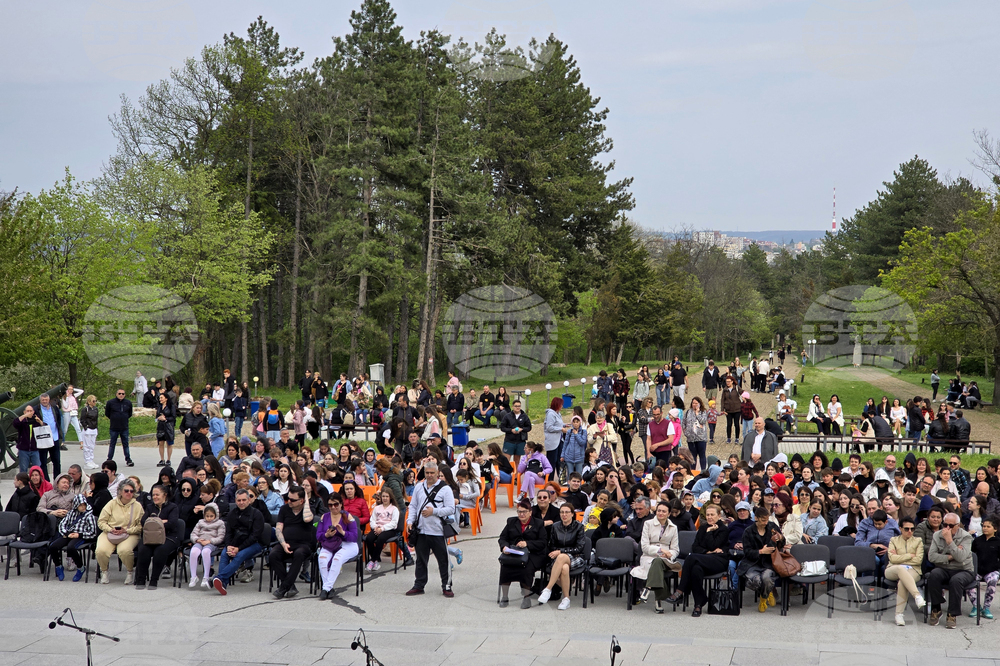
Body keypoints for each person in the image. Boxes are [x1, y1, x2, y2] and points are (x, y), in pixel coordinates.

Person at [665, 504, 729, 616]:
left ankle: (680, 590)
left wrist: (709, 532)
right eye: (707, 515)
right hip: (702, 560)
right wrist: (707, 552)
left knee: (691, 558)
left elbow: (713, 545)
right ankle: (698, 604)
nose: (709, 517)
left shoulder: (723, 529)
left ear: (719, 515)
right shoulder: (703, 528)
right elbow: (695, 547)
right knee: (695, 569)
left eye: (712, 515)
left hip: (718, 561)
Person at [405, 462, 456, 597]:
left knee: (443, 560)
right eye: (427, 473)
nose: (429, 475)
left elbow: (451, 508)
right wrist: (410, 521)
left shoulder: (445, 489)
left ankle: (446, 586)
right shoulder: (419, 487)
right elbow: (413, 506)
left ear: (437, 473)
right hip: (421, 530)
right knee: (421, 560)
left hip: (437, 531)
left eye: (432, 473)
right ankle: (419, 585)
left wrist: (434, 511)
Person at [212, 488, 267, 595]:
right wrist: (228, 545)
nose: (241, 502)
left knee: (239, 555)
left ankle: (220, 578)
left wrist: (239, 548)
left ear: (249, 500)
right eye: (239, 500)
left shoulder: (257, 514)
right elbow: (228, 532)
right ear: (235, 501)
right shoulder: (232, 513)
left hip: (254, 544)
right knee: (224, 554)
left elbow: (255, 536)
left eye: (244, 500)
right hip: (235, 542)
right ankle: (223, 584)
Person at [926, 512, 975, 628]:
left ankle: (952, 614)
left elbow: (961, 558)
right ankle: (936, 609)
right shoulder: (937, 535)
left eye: (951, 526)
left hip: (964, 569)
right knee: (933, 574)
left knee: (956, 580)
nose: (947, 528)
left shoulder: (966, 537)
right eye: (945, 525)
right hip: (944, 568)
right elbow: (931, 557)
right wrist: (950, 557)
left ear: (958, 525)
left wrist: (949, 541)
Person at [497, 498, 547, 608]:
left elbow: (543, 542)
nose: (521, 514)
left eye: (524, 512)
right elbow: (503, 538)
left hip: (533, 553)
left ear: (530, 512)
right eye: (519, 511)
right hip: (514, 552)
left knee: (526, 567)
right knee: (506, 566)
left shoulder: (538, 523)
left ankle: (526, 597)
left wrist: (527, 544)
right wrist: (504, 547)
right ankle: (505, 596)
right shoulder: (511, 522)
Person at [537, 503, 587, 610]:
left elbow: (579, 548)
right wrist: (558, 552)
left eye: (567, 512)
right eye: (562, 512)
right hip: (558, 558)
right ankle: (566, 599)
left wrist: (561, 551)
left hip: (575, 556)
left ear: (572, 514)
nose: (564, 515)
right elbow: (552, 545)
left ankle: (548, 589)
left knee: (561, 557)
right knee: (564, 568)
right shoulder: (555, 526)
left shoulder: (579, 527)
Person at [632, 501, 680, 612]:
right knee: (657, 563)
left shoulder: (673, 527)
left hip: (666, 559)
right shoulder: (648, 524)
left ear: (669, 514)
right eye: (659, 511)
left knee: (658, 562)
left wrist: (669, 555)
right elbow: (644, 546)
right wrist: (660, 550)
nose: (661, 513)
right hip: (649, 556)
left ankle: (648, 588)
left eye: (664, 511)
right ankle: (658, 601)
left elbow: (675, 549)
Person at [270, 485, 315, 599]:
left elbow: (307, 519)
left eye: (293, 500)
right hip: (286, 542)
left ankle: (284, 587)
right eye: (288, 498)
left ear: (301, 500)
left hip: (303, 545)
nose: (289, 501)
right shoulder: (284, 509)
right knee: (273, 555)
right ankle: (290, 586)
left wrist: (306, 500)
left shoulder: (308, 510)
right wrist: (283, 543)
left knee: (299, 554)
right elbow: (279, 529)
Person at [95, 478, 144, 584]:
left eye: (131, 491)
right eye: (126, 491)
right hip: (110, 532)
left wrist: (127, 530)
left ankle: (130, 572)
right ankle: (104, 571)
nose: (129, 493)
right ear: (120, 491)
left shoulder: (137, 506)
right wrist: (110, 529)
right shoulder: (111, 503)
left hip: (129, 533)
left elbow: (140, 526)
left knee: (124, 551)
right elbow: (101, 521)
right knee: (101, 551)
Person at [133, 485, 181, 589]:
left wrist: (153, 522)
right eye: (153, 495)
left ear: (165, 495)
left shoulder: (173, 507)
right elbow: (143, 522)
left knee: (160, 550)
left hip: (168, 536)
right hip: (150, 536)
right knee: (143, 549)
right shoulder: (150, 507)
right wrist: (161, 522)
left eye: (157, 495)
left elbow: (172, 524)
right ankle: (141, 579)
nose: (154, 497)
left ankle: (154, 580)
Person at [738, 506, 785, 612]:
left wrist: (781, 538)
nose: (765, 522)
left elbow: (783, 542)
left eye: (767, 520)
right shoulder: (748, 531)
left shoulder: (772, 526)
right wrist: (761, 551)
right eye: (763, 520)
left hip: (769, 562)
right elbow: (747, 552)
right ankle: (768, 592)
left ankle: (763, 598)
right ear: (756, 518)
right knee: (755, 580)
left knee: (766, 578)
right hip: (752, 563)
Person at [316, 491, 359, 600]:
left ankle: (325, 588)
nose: (333, 507)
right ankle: (329, 588)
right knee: (322, 558)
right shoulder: (324, 517)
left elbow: (354, 536)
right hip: (330, 543)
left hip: (348, 544)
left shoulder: (348, 516)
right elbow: (318, 535)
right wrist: (326, 535)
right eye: (330, 505)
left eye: (336, 504)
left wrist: (343, 533)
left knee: (337, 558)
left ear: (341, 504)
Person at [884, 516, 926, 625]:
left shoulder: (918, 541)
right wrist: (909, 555)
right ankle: (917, 595)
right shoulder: (893, 540)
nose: (910, 531)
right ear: (900, 529)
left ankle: (899, 615)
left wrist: (899, 557)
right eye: (907, 529)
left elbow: (918, 560)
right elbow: (892, 559)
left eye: (912, 529)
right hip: (893, 569)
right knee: (900, 568)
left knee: (902, 582)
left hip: (913, 569)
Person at [969, 517, 999, 620]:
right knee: (968, 580)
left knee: (993, 580)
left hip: (991, 571)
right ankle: (976, 606)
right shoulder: (977, 541)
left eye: (988, 526)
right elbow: (971, 555)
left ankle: (986, 608)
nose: (985, 528)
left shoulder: (998, 542)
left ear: (995, 529)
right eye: (984, 526)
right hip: (977, 570)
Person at [365, 489, 400, 572]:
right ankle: (376, 561)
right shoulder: (377, 508)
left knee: (381, 538)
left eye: (387, 496)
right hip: (377, 528)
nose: (385, 498)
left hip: (389, 529)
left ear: (390, 497)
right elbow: (372, 520)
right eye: (383, 496)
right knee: (369, 538)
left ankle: (372, 561)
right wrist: (375, 527)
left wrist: (382, 528)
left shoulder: (394, 509)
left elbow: (394, 523)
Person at [104, 388, 134, 467]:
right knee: (112, 444)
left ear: (125, 395)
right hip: (114, 427)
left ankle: (128, 459)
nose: (121, 395)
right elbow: (107, 413)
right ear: (116, 394)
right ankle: (109, 459)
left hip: (124, 427)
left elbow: (130, 413)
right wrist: (114, 418)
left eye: (123, 394)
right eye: (119, 393)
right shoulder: (111, 402)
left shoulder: (128, 403)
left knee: (125, 444)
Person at [500, 399, 532, 468]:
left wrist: (522, 429)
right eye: (516, 406)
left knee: (517, 460)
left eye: (519, 406)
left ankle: (516, 474)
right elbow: (502, 427)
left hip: (520, 441)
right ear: (512, 407)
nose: (517, 407)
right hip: (509, 440)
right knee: (506, 460)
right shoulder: (507, 416)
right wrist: (511, 430)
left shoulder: (524, 416)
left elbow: (529, 427)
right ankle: (506, 473)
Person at [683, 398, 709, 471]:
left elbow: (703, 421)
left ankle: (703, 471)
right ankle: (692, 471)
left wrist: (697, 413)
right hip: (691, 438)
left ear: (699, 404)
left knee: (702, 455)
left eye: (696, 403)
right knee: (692, 456)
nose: (694, 405)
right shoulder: (688, 412)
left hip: (701, 438)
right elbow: (684, 422)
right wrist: (685, 432)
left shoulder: (703, 412)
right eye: (693, 403)